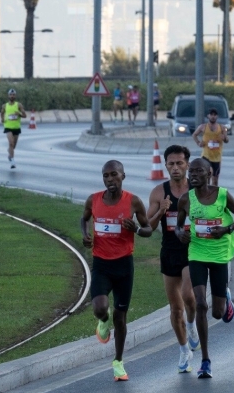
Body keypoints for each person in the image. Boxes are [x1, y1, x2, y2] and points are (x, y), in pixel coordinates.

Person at [175, 158, 234, 379]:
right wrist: (180, 233)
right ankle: (205, 360)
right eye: (191, 172)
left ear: (209, 173)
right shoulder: (185, 200)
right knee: (200, 304)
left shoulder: (223, 194)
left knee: (217, 313)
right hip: (197, 253)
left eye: (198, 171)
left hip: (219, 255)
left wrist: (227, 229)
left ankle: (225, 296)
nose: (193, 175)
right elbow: (178, 226)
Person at [80, 160, 152, 382]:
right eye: (106, 176)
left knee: (121, 317)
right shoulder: (93, 200)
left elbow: (149, 228)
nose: (110, 180)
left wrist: (137, 229)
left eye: (114, 175)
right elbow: (83, 219)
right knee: (100, 308)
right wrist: (84, 235)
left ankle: (118, 362)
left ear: (123, 176)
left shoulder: (134, 202)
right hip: (101, 264)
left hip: (124, 265)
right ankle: (103, 320)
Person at [147, 145, 200, 373]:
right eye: (171, 163)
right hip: (169, 252)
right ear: (166, 165)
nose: (175, 167)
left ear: (187, 164)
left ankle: (192, 325)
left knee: (189, 296)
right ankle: (183, 350)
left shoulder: (197, 190)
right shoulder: (159, 192)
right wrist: (161, 211)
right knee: (175, 309)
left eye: (180, 163)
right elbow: (147, 227)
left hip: (192, 250)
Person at [192, 109, 228, 186]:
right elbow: (194, 135)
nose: (213, 116)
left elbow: (227, 140)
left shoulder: (222, 128)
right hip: (206, 156)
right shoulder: (203, 127)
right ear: (208, 116)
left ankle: (213, 195)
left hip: (216, 157)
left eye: (215, 115)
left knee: (215, 180)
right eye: (211, 114)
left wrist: (224, 138)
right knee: (206, 177)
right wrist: (198, 142)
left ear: (217, 116)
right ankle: (205, 195)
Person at [0, 88, 27, 169]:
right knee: (11, 143)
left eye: (13, 95)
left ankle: (10, 154)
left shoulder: (19, 105)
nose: (12, 96)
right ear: (8, 96)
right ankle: (12, 162)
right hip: (8, 127)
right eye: (11, 95)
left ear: (15, 96)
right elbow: (1, 113)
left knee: (13, 146)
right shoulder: (5, 106)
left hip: (16, 127)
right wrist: (2, 119)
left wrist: (19, 113)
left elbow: (24, 116)